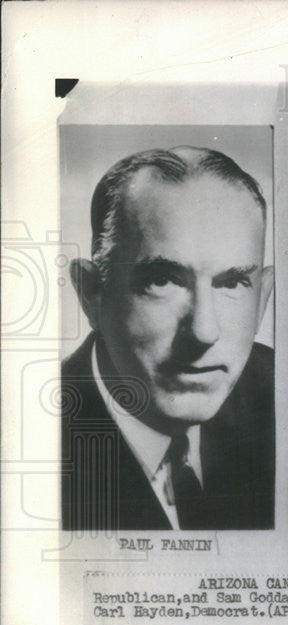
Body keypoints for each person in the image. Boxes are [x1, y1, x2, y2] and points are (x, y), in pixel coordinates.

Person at [62, 146, 275, 531]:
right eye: (163, 281)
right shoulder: (35, 438)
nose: (204, 332)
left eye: (232, 283)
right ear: (92, 294)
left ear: (262, 300)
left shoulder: (275, 397)